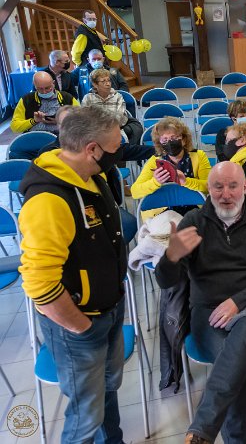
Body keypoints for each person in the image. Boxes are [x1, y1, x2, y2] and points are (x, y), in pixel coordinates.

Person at [156, 162, 246, 443]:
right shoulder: (194, 222)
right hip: (207, 310)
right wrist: (171, 257)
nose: (226, 194)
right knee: (233, 365)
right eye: (218, 186)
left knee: (235, 355)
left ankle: (202, 431)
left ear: (245, 187)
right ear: (208, 188)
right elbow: (165, 281)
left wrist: (237, 302)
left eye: (232, 186)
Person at [19, 106, 127, 442]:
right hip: (80, 325)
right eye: (115, 147)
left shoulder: (89, 176)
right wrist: (82, 327)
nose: (119, 153)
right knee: (85, 417)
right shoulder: (49, 200)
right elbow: (40, 285)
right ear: (92, 149)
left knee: (107, 390)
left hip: (108, 308)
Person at [131, 117, 211, 210]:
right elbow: (135, 192)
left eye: (174, 138)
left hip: (194, 208)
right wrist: (156, 182)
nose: (169, 142)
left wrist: (186, 182)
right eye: (164, 140)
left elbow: (209, 186)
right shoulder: (155, 161)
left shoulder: (199, 156)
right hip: (164, 210)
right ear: (160, 143)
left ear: (183, 140)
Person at [82, 68, 144, 145]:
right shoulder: (88, 98)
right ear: (95, 84)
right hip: (95, 132)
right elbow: (85, 119)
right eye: (103, 81)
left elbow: (119, 117)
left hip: (116, 129)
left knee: (135, 129)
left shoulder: (117, 96)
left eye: (109, 80)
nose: (108, 84)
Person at [11, 70, 79, 137]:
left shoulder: (67, 98)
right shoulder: (26, 100)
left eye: (47, 88)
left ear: (53, 83)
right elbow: (15, 127)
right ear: (35, 86)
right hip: (34, 137)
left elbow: (80, 120)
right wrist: (34, 121)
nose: (44, 92)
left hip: (61, 137)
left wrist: (60, 121)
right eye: (40, 89)